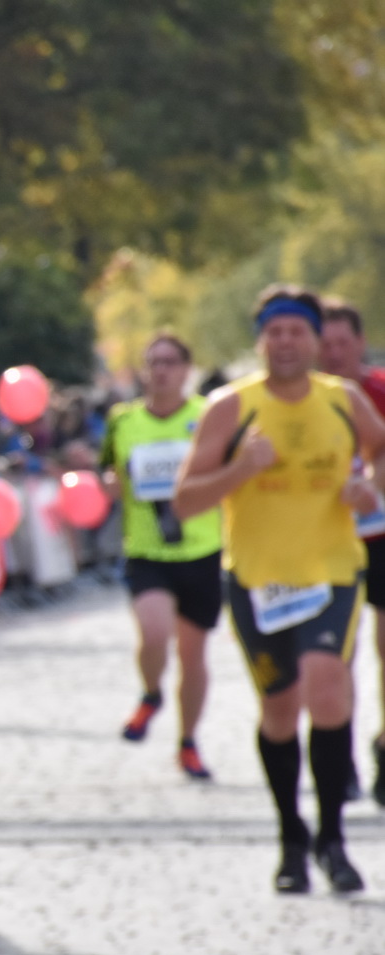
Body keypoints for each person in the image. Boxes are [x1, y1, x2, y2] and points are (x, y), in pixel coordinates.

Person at [174, 284, 385, 895]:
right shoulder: (230, 408)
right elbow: (185, 501)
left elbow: (379, 445)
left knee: (328, 688)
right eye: (275, 331)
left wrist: (369, 486)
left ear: (316, 340)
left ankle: (333, 839)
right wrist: (241, 470)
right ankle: (291, 835)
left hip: (333, 572)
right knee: (279, 709)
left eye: (297, 331)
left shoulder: (342, 400)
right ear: (261, 339)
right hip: (256, 580)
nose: (286, 342)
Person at [98, 333, 223, 778]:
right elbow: (107, 469)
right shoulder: (123, 420)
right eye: (152, 363)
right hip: (147, 550)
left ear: (186, 370)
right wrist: (109, 484)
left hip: (201, 549)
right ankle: (151, 693)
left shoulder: (207, 417)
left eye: (170, 362)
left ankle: (188, 742)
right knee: (153, 634)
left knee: (193, 656)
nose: (161, 371)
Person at [319, 299, 385, 805]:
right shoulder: (304, 399)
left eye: (344, 342)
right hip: (324, 542)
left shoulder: (379, 390)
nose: (336, 352)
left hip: (381, 536)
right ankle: (336, 753)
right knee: (335, 654)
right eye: (327, 343)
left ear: (360, 343)